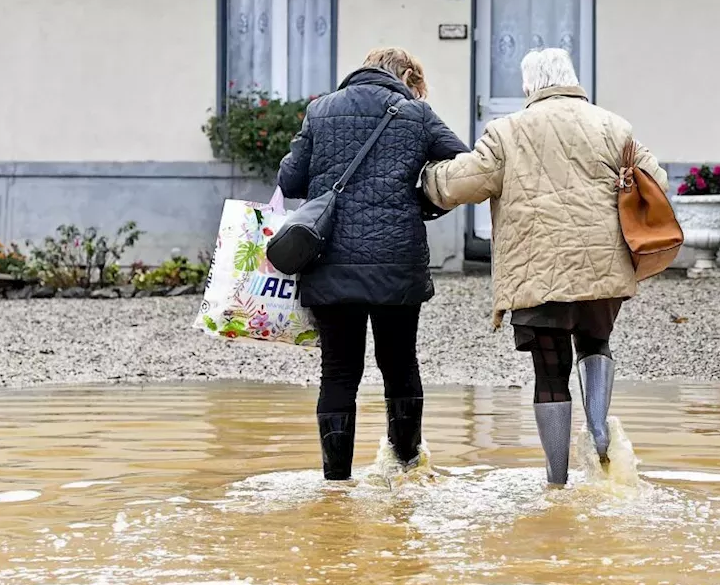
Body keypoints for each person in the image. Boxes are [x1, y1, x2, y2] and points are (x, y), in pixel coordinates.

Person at [421, 48, 667, 486]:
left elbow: (464, 182)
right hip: (602, 272)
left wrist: (427, 179)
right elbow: (656, 182)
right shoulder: (613, 125)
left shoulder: (507, 130)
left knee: (549, 373)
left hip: (539, 275)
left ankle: (556, 480)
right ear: (572, 79)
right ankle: (598, 435)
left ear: (528, 85)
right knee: (596, 341)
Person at [278, 47, 468, 481]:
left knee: (339, 371)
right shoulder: (417, 114)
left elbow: (290, 180)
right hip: (396, 262)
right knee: (400, 365)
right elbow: (461, 166)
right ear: (403, 74)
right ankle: (405, 471)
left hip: (329, 261)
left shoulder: (320, 109)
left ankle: (336, 485)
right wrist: (419, 203)